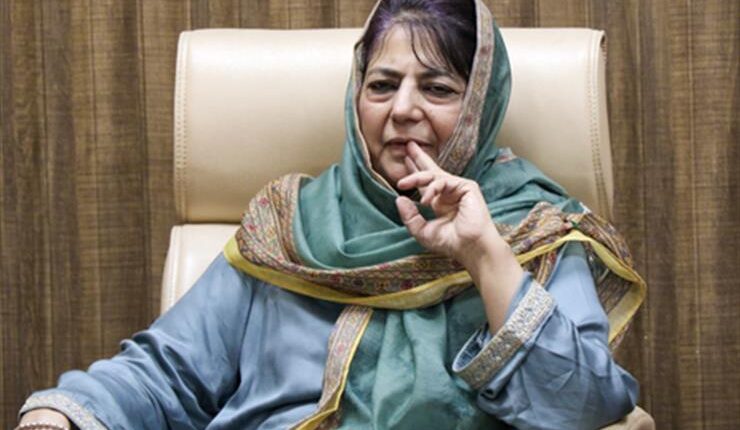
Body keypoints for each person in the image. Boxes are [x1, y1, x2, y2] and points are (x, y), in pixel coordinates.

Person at [17, 0, 646, 429]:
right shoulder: (287, 225)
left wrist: (485, 256)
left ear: (482, 106)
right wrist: (61, 415)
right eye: (382, 85)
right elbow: (167, 373)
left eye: (438, 88)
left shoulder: (536, 231)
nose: (402, 109)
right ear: (355, 100)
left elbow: (583, 407)